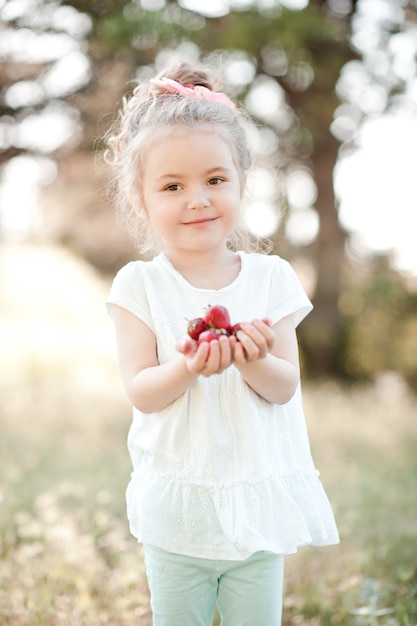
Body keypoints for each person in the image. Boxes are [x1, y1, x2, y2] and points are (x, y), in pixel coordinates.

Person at [104, 60, 339, 626]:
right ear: (141, 199)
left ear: (240, 183)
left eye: (215, 180)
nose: (197, 199)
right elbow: (142, 390)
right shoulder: (139, 285)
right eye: (172, 186)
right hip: (178, 513)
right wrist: (188, 367)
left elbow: (284, 387)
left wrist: (253, 358)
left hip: (255, 506)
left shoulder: (272, 278)